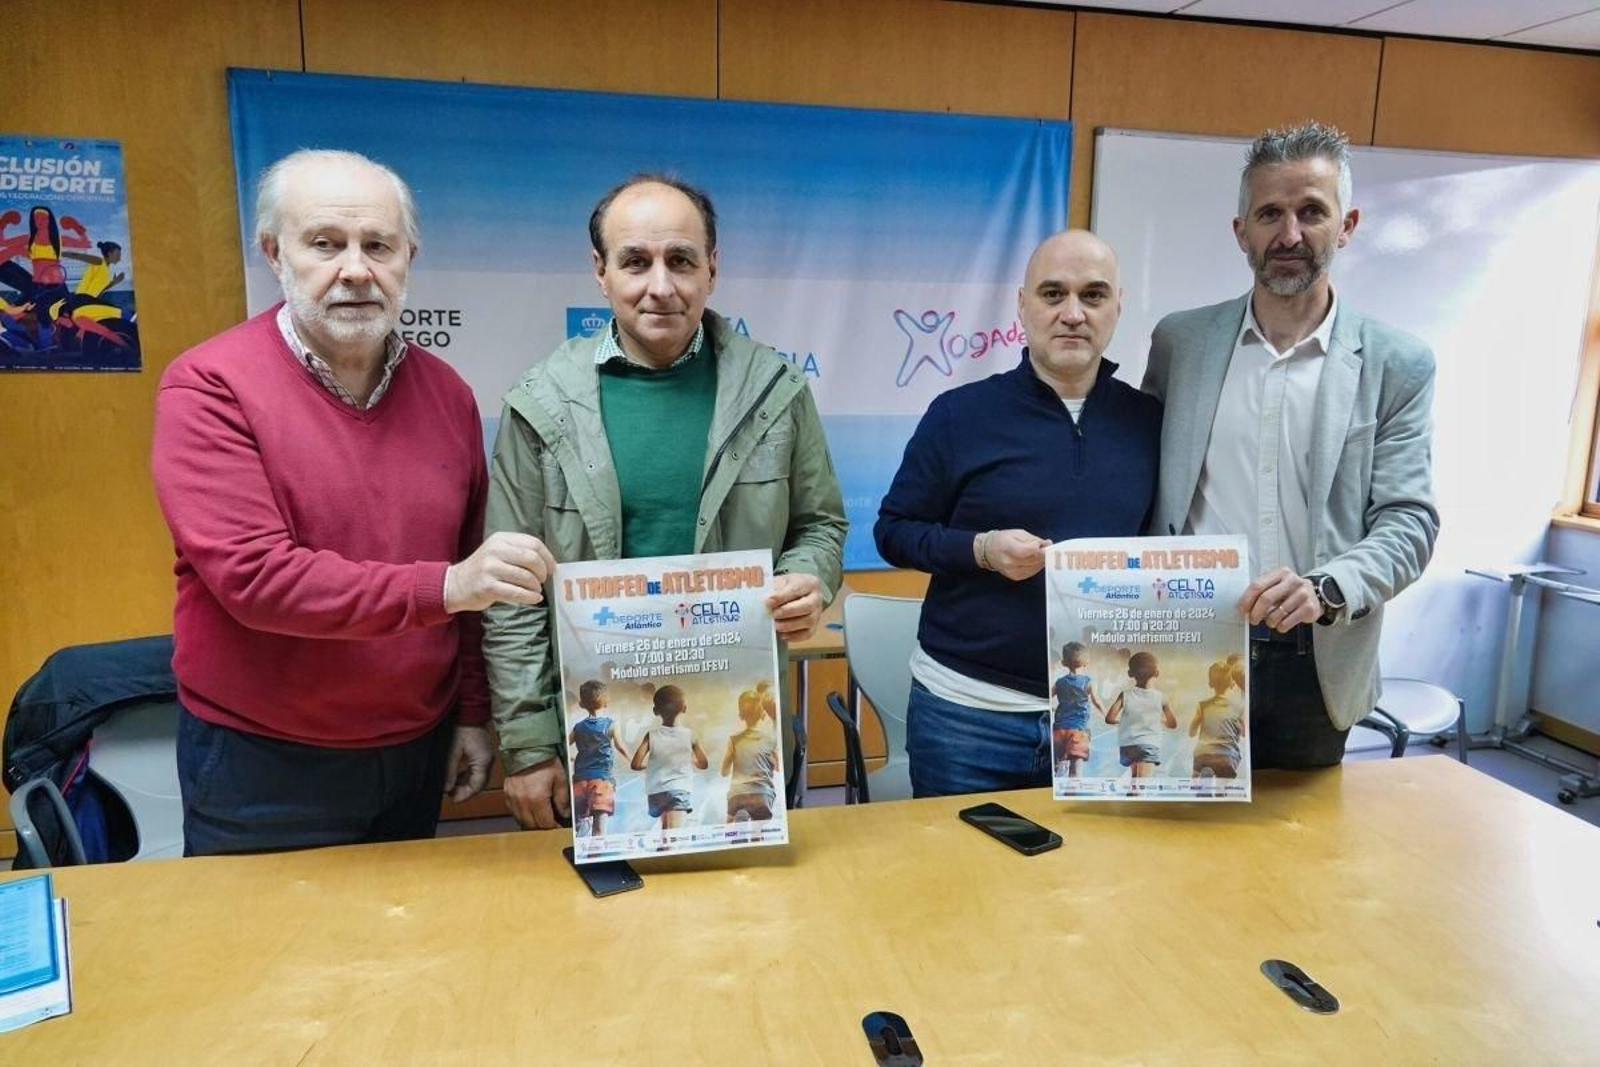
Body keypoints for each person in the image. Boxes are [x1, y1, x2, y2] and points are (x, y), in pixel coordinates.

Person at [151, 149, 553, 855]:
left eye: (379, 246)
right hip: (265, 762)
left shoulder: (447, 392)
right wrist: (449, 585)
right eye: (326, 245)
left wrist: (469, 714)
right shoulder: (209, 387)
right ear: (276, 253)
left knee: (401, 955)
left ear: (409, 257)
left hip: (416, 749)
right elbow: (256, 580)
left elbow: (471, 568)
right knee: (272, 959)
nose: (357, 270)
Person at [483, 174, 847, 830]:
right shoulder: (539, 404)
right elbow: (513, 597)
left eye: (681, 260)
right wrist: (530, 745)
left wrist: (811, 577)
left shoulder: (778, 391)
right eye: (635, 261)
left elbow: (820, 524)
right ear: (599, 272)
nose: (661, 284)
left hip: (740, 718)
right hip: (591, 733)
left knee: (748, 916)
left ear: (713, 268)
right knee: (601, 926)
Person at [1142, 121, 1439, 769]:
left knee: (1298, 854)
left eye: (1312, 212)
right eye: (1270, 213)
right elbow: (1139, 479)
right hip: (1190, 645)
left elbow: (1410, 522)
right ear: (1240, 230)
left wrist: (1328, 587)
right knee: (1175, 847)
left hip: (1317, 659)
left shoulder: (1397, 362)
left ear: (1348, 224)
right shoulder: (1180, 344)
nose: (1290, 235)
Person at [875, 230, 1161, 797]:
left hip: (1096, 714)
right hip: (968, 716)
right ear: (1023, 305)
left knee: (1092, 883)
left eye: (1093, 295)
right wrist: (981, 550)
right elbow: (894, 532)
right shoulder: (960, 415)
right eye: (1053, 294)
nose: (1073, 314)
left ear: (1118, 307)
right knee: (964, 883)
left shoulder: (1149, 421)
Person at [630, 685, 709, 833]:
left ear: (656, 711)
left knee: (665, 831)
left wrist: (649, 766)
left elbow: (635, 764)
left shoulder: (651, 735)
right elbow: (704, 764)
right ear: (685, 708)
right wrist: (691, 761)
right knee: (672, 836)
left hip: (656, 791)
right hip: (679, 788)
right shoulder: (691, 735)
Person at [1104, 651, 1176, 785]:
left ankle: (1131, 800)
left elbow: (1109, 718)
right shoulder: (1161, 698)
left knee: (1134, 779)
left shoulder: (1125, 695)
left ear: (1130, 673)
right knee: (1141, 783)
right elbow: (1173, 724)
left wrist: (1121, 721)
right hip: (1149, 743)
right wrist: (1160, 721)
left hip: (1128, 745)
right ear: (1157, 673)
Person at [569, 680, 629, 837]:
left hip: (580, 781)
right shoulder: (611, 725)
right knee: (599, 831)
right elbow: (620, 746)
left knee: (578, 827)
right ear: (607, 702)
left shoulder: (578, 727)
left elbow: (564, 745)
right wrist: (632, 761)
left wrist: (570, 757)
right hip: (602, 781)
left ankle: (582, 832)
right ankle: (597, 856)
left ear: (582, 704)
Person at [722, 688, 779, 823]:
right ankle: (756, 836)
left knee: (731, 824)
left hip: (738, 793)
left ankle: (735, 831)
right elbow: (778, 768)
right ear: (762, 714)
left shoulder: (734, 740)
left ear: (741, 715)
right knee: (758, 830)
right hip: (762, 794)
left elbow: (724, 772)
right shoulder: (770, 740)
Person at [1052, 642, 1105, 779]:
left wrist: (1052, 708)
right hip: (1078, 731)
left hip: (1059, 731)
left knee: (1058, 767)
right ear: (1086, 662)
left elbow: (1046, 698)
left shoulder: (1059, 683)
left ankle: (1060, 768)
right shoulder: (1088, 682)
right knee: (1075, 774)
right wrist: (1106, 715)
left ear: (1063, 662)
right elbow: (1097, 701)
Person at [1189, 660, 1247, 782]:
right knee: (1223, 782)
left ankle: (1199, 783)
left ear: (1210, 683)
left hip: (1203, 753)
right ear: (1232, 684)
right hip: (1227, 755)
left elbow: (1191, 733)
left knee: (1196, 778)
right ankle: (1221, 789)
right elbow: (1244, 733)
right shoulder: (1238, 708)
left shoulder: (1202, 705)